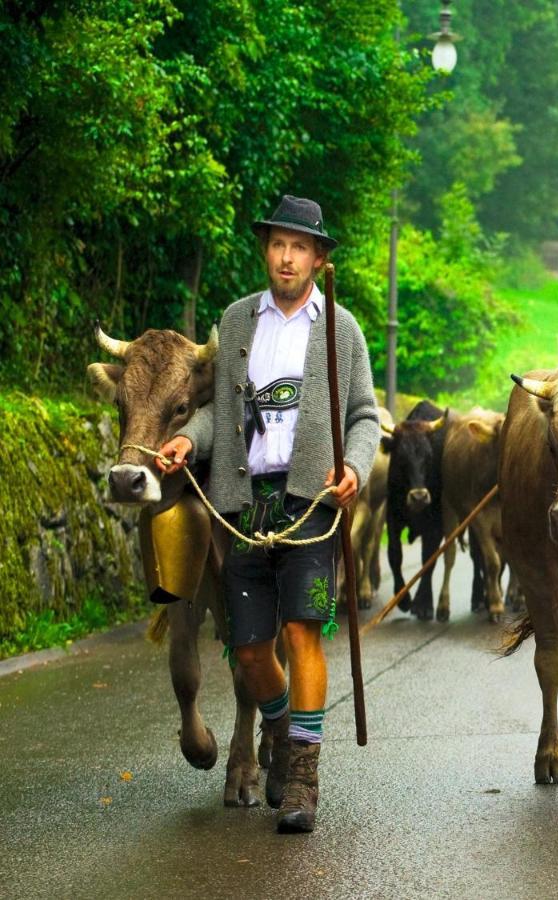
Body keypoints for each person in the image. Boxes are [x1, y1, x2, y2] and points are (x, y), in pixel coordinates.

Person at [157, 195, 379, 832]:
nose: (287, 257)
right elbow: (219, 415)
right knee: (249, 650)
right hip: (243, 503)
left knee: (303, 632)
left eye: (299, 247)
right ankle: (283, 732)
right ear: (266, 250)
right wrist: (187, 440)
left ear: (318, 257)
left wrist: (355, 468)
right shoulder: (236, 322)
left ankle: (304, 778)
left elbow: (362, 416)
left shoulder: (341, 329)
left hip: (310, 499)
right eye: (278, 244)